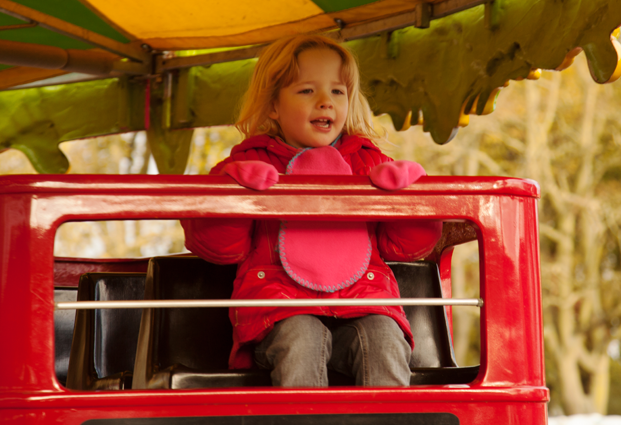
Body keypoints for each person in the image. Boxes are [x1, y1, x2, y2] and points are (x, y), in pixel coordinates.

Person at [182, 33, 442, 387]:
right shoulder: (249, 162)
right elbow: (221, 248)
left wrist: (409, 199)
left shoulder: (369, 164)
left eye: (337, 91)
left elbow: (407, 247)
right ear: (273, 106)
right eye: (307, 91)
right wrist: (232, 194)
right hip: (280, 312)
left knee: (384, 338)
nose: (325, 102)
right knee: (303, 337)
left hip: (364, 304)